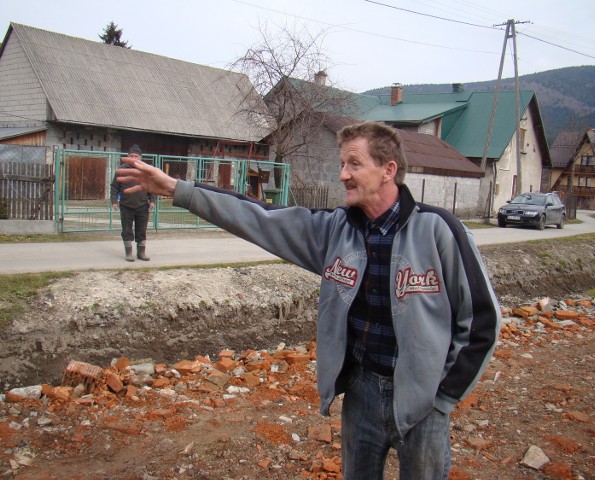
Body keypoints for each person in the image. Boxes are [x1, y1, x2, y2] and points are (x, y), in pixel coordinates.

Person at [116, 121, 501, 479]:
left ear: (388, 169)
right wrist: (176, 189)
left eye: (354, 163)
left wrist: (443, 398)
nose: (342, 174)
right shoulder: (334, 231)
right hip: (363, 394)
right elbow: (259, 218)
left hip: (424, 400)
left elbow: (482, 320)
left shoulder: (439, 231)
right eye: (342, 163)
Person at [110, 144, 155, 262]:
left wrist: (152, 201)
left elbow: (151, 187)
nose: (134, 158)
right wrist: (114, 201)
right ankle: (129, 253)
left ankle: (141, 253)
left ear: (140, 158)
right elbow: (114, 187)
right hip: (126, 206)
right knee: (127, 230)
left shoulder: (146, 171)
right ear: (127, 157)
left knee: (141, 230)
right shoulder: (121, 170)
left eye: (136, 156)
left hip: (142, 206)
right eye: (132, 156)